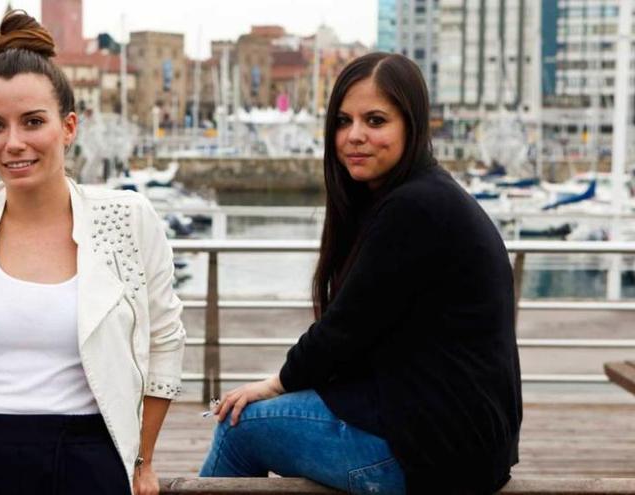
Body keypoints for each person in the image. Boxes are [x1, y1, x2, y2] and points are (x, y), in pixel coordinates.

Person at [200, 52, 522, 494]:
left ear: (412, 124)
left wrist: (275, 384)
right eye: (342, 121)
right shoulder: (428, 196)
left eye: (375, 121)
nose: (354, 136)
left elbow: (343, 330)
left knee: (238, 426)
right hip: (464, 442)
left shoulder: (415, 207)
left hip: (431, 455)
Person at [0, 10, 185, 495]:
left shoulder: (128, 218)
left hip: (89, 453)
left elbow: (166, 342)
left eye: (33, 122)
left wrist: (141, 460)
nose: (13, 143)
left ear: (68, 127)